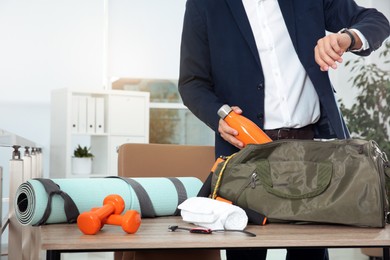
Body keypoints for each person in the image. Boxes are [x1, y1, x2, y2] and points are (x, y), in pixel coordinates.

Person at [178, 0, 390, 259]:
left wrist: (347, 38)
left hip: (311, 153)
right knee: (245, 254)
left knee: (310, 255)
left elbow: (376, 21)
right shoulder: (205, 5)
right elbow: (192, 82)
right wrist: (220, 114)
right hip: (246, 155)